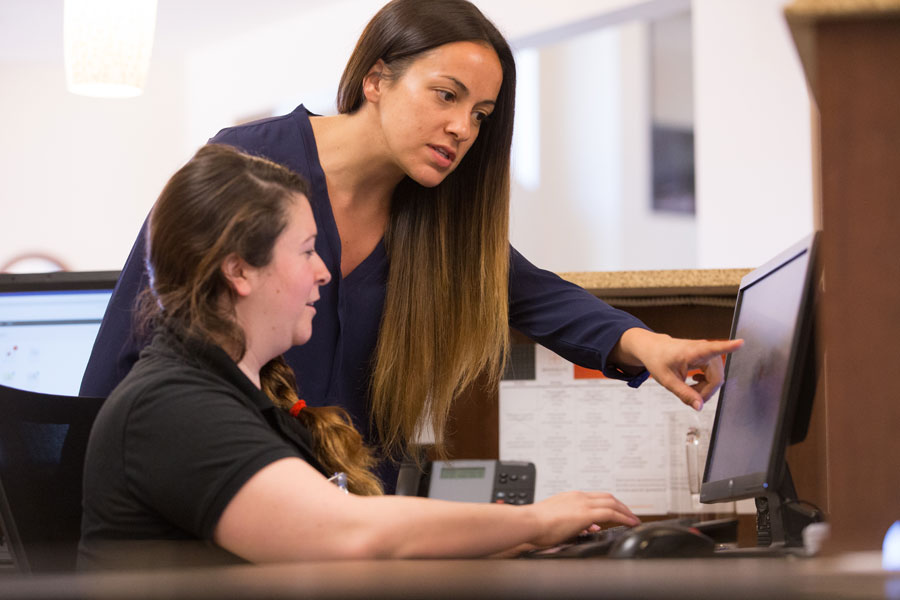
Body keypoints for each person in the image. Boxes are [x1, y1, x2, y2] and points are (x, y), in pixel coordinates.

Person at [80, 0, 742, 491]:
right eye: (446, 96)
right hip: (230, 504)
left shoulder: (431, 224)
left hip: (358, 517)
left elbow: (534, 294)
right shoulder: (248, 163)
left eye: (481, 116)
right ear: (376, 80)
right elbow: (130, 343)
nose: (461, 128)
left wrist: (653, 347)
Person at [79, 144, 641, 568]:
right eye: (305, 251)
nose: (324, 270)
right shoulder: (172, 407)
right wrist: (536, 521)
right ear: (238, 270)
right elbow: (351, 533)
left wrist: (524, 537)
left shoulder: (242, 397)